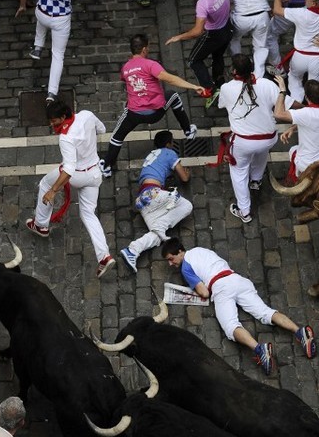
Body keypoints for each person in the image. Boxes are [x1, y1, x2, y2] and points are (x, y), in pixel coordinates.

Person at [162, 238, 316, 375]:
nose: (171, 263)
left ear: (180, 251)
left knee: (230, 326)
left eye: (171, 259)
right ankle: (299, 331)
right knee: (265, 312)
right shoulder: (201, 250)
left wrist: (197, 289)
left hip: (221, 288)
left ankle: (259, 349)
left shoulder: (185, 268)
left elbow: (204, 293)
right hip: (237, 279)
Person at [25, 100, 116, 279]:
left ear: (64, 116)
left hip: (77, 176)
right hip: (95, 174)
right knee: (88, 214)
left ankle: (41, 225)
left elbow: (68, 169)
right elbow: (102, 129)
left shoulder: (66, 138)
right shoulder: (87, 115)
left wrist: (53, 190)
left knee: (45, 183)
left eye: (54, 121)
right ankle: (104, 256)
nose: (52, 125)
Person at [99, 33, 205, 176]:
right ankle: (188, 131)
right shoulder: (151, 65)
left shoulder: (125, 68)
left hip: (134, 113)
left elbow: (126, 80)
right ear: (144, 49)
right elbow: (171, 79)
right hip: (155, 113)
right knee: (173, 96)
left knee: (116, 137)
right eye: (148, 47)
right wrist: (193, 86)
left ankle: (106, 167)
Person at [218, 54, 294, 224]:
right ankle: (256, 181)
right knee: (261, 155)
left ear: (233, 70)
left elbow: (221, 105)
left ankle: (244, 211)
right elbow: (288, 104)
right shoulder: (267, 85)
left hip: (243, 142)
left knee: (238, 172)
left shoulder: (226, 88)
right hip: (268, 138)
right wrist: (309, 108)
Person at [16, 0, 88, 103]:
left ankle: (38, 48)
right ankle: (51, 92)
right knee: (58, 55)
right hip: (60, 20)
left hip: (42, 13)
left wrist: (22, 5)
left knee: (41, 23)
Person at [120, 130, 192, 274]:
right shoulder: (169, 153)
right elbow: (184, 177)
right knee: (185, 204)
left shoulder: (151, 155)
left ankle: (132, 250)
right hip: (154, 194)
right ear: (168, 144)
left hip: (143, 200)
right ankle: (162, 222)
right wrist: (187, 173)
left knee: (157, 235)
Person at [165, 0, 233, 108]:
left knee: (193, 60)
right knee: (218, 56)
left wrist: (178, 37)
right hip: (227, 27)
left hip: (213, 34)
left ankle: (210, 89)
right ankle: (220, 83)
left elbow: (197, 31)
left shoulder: (203, 3)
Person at [272, 0, 319, 103]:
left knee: (294, 79)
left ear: (314, 3)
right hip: (317, 58)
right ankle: (314, 107)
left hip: (300, 56)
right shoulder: (302, 12)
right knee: (315, 86)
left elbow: (277, 10)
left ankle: (297, 103)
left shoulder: (301, 13)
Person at [274, 75, 319, 178]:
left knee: (292, 150)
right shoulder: (306, 115)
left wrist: (282, 91)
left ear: (306, 97)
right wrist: (293, 127)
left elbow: (278, 114)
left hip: (306, 164)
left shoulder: (305, 113)